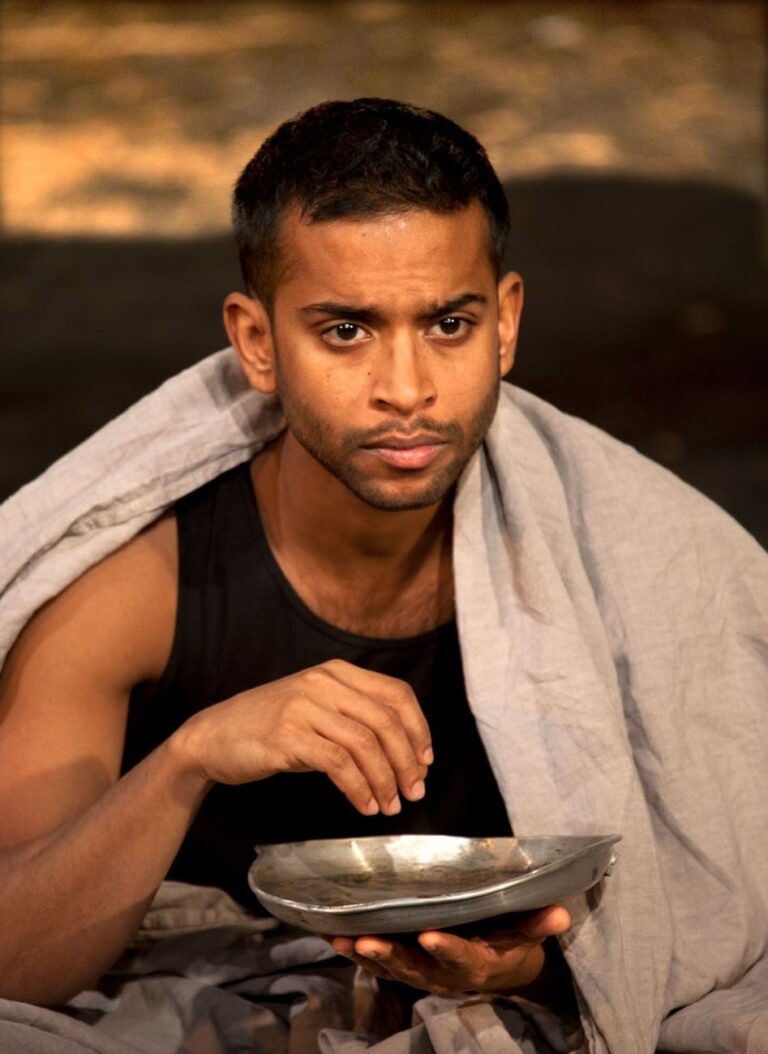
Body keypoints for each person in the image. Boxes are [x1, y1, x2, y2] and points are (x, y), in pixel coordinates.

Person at [0, 99, 765, 1054]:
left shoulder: (636, 549)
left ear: (507, 322)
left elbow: (716, 891)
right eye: (347, 331)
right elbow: (11, 962)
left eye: (449, 323)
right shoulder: (136, 586)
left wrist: (534, 965)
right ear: (257, 343)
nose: (407, 388)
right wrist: (190, 756)